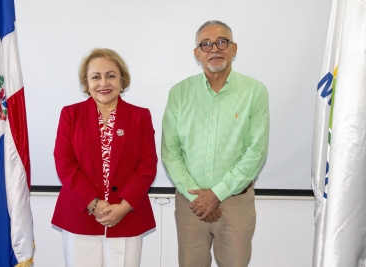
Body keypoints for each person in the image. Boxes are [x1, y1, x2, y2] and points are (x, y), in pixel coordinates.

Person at [161, 20, 269, 267]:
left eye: (222, 42)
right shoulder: (179, 93)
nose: (214, 49)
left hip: (235, 203)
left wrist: (217, 194)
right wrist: (199, 198)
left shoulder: (255, 92)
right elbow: (170, 151)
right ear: (197, 54)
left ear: (234, 48)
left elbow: (256, 152)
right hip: (191, 204)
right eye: (206, 44)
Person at [52, 48, 157, 267]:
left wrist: (123, 206)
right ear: (86, 83)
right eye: (96, 77)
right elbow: (64, 163)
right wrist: (92, 203)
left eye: (111, 75)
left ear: (122, 80)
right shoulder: (70, 115)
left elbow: (147, 166)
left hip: (126, 217)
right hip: (80, 216)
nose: (104, 83)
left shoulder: (140, 116)